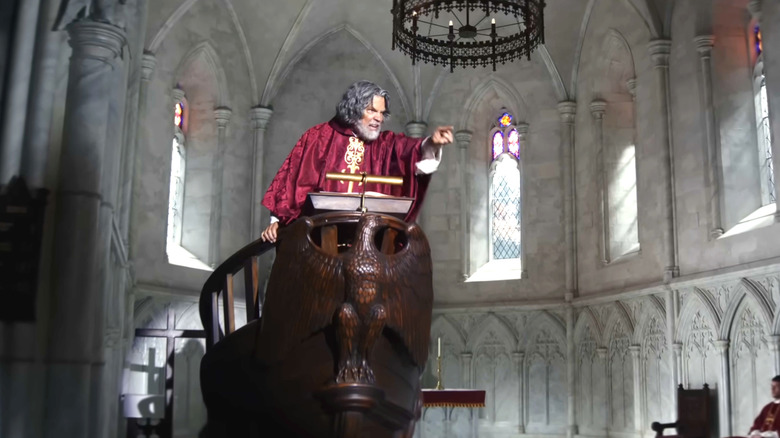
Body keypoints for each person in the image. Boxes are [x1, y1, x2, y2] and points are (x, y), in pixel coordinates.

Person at [260, 80, 453, 242]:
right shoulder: (318, 138)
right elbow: (291, 181)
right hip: (320, 239)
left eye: (382, 113)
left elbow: (410, 149)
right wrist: (276, 222)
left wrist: (432, 143)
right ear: (353, 109)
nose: (378, 118)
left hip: (369, 241)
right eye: (371, 110)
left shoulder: (384, 144)